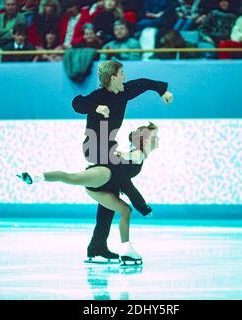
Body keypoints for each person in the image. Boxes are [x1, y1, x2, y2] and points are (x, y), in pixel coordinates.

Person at [72, 61, 173, 262]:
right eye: (122, 73)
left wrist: (162, 91)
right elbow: (77, 103)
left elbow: (144, 83)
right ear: (113, 77)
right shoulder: (98, 96)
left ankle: (97, 246)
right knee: (120, 173)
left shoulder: (124, 92)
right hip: (93, 146)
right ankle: (140, 204)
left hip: (108, 147)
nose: (125, 77)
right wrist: (96, 107)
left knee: (111, 196)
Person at [17, 123, 160, 264]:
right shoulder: (139, 153)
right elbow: (132, 161)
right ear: (145, 139)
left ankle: (102, 248)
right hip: (104, 175)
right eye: (155, 136)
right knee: (72, 177)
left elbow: (127, 177)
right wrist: (143, 207)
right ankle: (34, 177)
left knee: (124, 211)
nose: (158, 139)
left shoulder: (138, 152)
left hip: (106, 188)